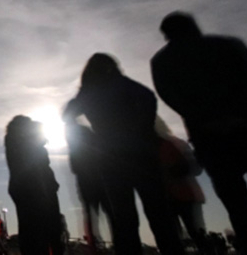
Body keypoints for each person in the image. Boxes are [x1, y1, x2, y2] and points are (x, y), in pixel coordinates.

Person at [151, 11, 247, 255]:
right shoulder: (228, 45)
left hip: (209, 136)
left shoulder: (161, 62)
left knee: (236, 202)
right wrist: (246, 112)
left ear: (166, 34)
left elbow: (170, 96)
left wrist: (202, 118)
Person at [64, 53, 184, 255]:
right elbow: (148, 97)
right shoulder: (121, 83)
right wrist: (142, 127)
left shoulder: (88, 92)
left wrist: (89, 135)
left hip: (111, 158)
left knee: (123, 217)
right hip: (141, 154)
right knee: (159, 213)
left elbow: (68, 114)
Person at [4, 115, 64, 255]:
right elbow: (38, 166)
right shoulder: (28, 145)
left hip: (26, 189)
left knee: (29, 230)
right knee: (46, 230)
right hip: (38, 190)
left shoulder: (14, 142)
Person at [155, 119, 209, 254]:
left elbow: (196, 168)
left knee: (197, 233)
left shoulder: (176, 143)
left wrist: (180, 168)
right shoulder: (148, 149)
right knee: (173, 237)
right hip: (166, 199)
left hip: (188, 196)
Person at [65, 122, 111, 252]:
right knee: (108, 214)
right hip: (99, 184)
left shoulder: (75, 151)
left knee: (91, 216)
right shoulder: (95, 148)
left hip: (87, 186)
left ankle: (93, 245)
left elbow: (74, 168)